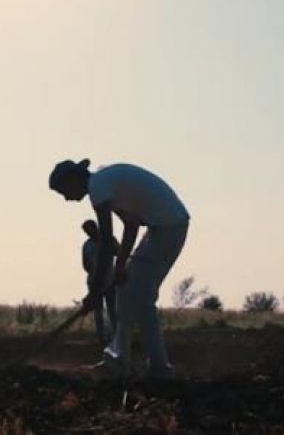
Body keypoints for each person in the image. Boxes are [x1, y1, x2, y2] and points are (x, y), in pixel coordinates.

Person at [49, 159, 190, 381]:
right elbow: (132, 225)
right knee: (125, 289)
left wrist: (95, 291)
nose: (67, 198)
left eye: (64, 191)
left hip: (168, 226)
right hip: (163, 226)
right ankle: (117, 360)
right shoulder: (104, 183)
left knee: (141, 297)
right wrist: (121, 265)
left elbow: (106, 243)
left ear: (74, 180)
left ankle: (160, 368)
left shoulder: (98, 187)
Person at [81, 219, 119, 345]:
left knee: (112, 308)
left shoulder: (109, 239)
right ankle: (101, 337)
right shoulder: (87, 246)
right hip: (94, 281)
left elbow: (119, 252)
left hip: (110, 280)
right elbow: (85, 264)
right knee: (98, 309)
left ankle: (116, 336)